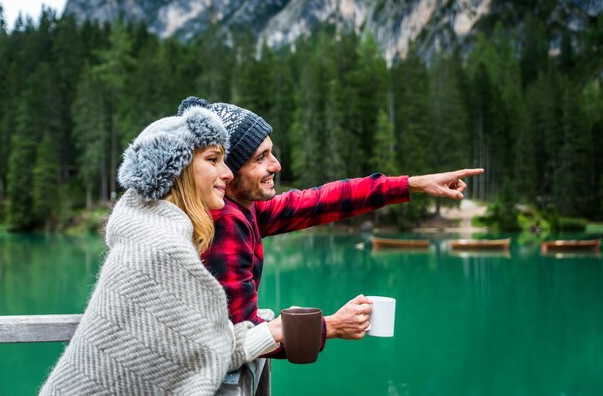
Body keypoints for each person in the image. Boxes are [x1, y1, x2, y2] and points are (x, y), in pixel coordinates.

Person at [176, 96, 484, 357]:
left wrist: (413, 184)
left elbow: (324, 201)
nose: (276, 165)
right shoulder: (225, 223)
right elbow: (241, 342)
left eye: (272, 152)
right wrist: (333, 325)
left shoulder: (245, 209)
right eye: (261, 158)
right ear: (227, 172)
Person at [40, 106, 283, 395]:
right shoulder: (161, 248)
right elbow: (207, 351)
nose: (227, 173)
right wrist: (287, 331)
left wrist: (273, 331)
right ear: (178, 170)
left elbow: (200, 344)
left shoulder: (148, 232)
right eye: (213, 160)